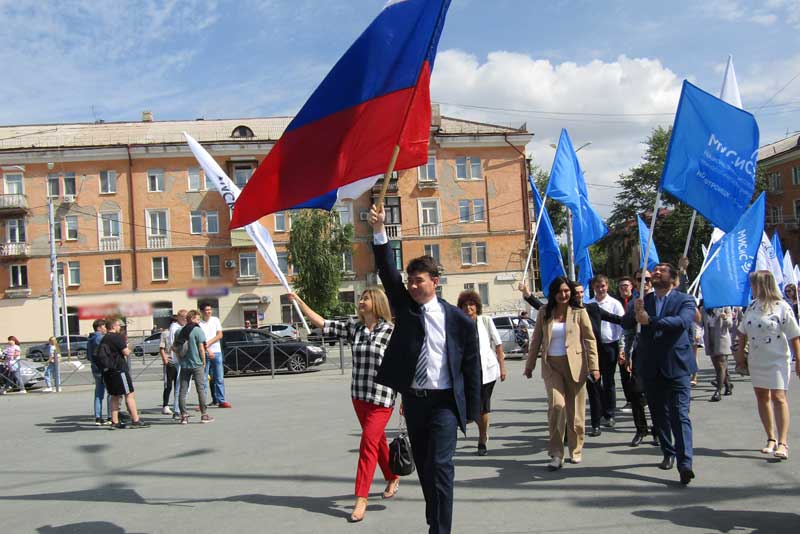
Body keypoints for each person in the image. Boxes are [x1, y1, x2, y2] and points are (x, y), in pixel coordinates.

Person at [370, 204, 481, 534]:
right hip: (415, 402)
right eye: (410, 281)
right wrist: (379, 230)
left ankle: (441, 530)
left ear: (435, 281)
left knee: (442, 466)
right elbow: (387, 272)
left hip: (445, 403)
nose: (413, 286)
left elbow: (471, 368)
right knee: (425, 467)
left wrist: (472, 410)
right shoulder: (406, 308)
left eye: (419, 281)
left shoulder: (459, 321)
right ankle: (435, 518)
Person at [289, 289, 399, 523]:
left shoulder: (391, 331)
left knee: (368, 443)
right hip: (359, 395)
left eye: (365, 299)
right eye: (361, 298)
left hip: (382, 397)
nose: (360, 301)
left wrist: (407, 399)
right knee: (376, 441)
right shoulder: (354, 328)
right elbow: (322, 323)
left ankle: (361, 497)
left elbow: (404, 365)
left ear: (377, 303)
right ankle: (392, 475)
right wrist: (299, 301)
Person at [623, 262, 697, 485]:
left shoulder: (684, 299)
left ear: (672, 278)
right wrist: (634, 313)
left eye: (661, 271)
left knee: (679, 414)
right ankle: (668, 451)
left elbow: (682, 322)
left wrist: (651, 320)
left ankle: (685, 463)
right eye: (654, 271)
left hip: (677, 366)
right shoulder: (644, 300)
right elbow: (626, 323)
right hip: (651, 366)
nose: (655, 273)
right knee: (658, 413)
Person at [524, 277, 600, 469]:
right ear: (553, 293)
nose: (564, 295)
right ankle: (556, 453)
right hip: (552, 366)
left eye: (567, 291)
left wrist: (594, 367)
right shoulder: (544, 312)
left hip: (575, 365)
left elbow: (590, 340)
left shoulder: (579, 312)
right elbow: (536, 340)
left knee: (575, 412)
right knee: (557, 406)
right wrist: (530, 365)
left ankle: (576, 449)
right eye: (560, 291)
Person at [734, 270, 800, 460]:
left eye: (753, 284)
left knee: (779, 396)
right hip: (757, 359)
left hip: (777, 359)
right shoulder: (752, 306)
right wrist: (740, 357)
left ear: (762, 285)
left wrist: (799, 359)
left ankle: (783, 442)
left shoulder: (782, 307)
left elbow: (795, 335)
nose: (751, 288)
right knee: (762, 396)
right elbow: (742, 332)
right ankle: (771, 438)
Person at [457, 290, 507, 456]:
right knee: (468, 406)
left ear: (477, 306)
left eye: (471, 304)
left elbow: (498, 345)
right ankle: (472, 421)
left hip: (486, 371)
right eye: (464, 305)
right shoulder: (459, 324)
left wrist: (502, 368)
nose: (468, 308)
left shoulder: (485, 321)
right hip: (466, 373)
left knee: (483, 408)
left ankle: (482, 438)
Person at [571, 283, 623, 437]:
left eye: (581, 292)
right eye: (576, 293)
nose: (579, 296)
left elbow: (616, 319)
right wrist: (528, 296)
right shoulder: (565, 312)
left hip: (596, 355)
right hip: (575, 357)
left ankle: (596, 424)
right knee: (584, 392)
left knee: (595, 389)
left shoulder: (592, 308)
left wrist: (636, 317)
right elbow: (542, 308)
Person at [588, 274, 625, 427]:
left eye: (603, 286)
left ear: (607, 286)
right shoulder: (589, 304)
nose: (600, 289)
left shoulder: (614, 304)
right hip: (594, 347)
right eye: (597, 286)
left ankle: (609, 413)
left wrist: (621, 346)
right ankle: (598, 411)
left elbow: (622, 324)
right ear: (593, 288)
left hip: (610, 345)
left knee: (609, 381)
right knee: (595, 381)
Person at [98, 317, 148, 429]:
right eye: (119, 325)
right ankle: (136, 419)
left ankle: (114, 421)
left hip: (108, 371)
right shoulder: (117, 337)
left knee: (114, 396)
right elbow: (126, 352)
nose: (120, 327)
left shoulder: (104, 338)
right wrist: (130, 346)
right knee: (129, 394)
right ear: (114, 326)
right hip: (119, 370)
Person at [176, 310, 214, 425]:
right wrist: (203, 362)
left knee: (182, 390)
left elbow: (175, 348)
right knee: (201, 389)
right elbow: (201, 348)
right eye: (197, 319)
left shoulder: (179, 331)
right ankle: (204, 415)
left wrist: (180, 359)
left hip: (184, 365)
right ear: (192, 319)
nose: (199, 321)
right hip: (196, 364)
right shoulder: (198, 330)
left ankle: (184, 416)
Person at [200, 303, 230, 408]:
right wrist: (207, 347)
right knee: (203, 379)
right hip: (204, 352)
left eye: (210, 309)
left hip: (217, 352)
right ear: (202, 311)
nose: (209, 311)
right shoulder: (199, 323)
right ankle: (202, 402)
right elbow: (199, 339)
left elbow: (220, 335)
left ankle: (221, 400)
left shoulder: (215, 320)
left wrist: (209, 343)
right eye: (206, 310)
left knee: (219, 377)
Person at [703, 304, 734, 402]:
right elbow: (701, 323)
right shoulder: (704, 308)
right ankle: (728, 385)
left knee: (721, 364)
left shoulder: (725, 307)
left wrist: (725, 318)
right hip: (710, 337)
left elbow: (730, 324)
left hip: (721, 337)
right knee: (717, 365)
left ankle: (718, 391)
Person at [614, 277, 635, 412]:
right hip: (619, 341)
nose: (624, 288)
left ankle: (640, 398)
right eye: (621, 286)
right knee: (624, 373)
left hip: (634, 341)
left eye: (626, 285)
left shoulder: (636, 301)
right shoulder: (616, 303)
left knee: (635, 372)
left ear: (631, 286)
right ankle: (629, 400)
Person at [159, 312, 186, 416]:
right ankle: (165, 405)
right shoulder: (165, 333)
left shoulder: (181, 332)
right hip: (170, 361)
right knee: (168, 385)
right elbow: (161, 348)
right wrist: (165, 359)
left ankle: (177, 406)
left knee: (177, 385)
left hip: (177, 360)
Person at [87, 319, 112, 425]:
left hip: (95, 368)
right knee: (110, 392)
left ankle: (98, 416)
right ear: (99, 327)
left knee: (98, 393)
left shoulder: (90, 339)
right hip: (104, 368)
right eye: (104, 326)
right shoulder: (100, 338)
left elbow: (88, 356)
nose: (105, 328)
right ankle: (111, 416)